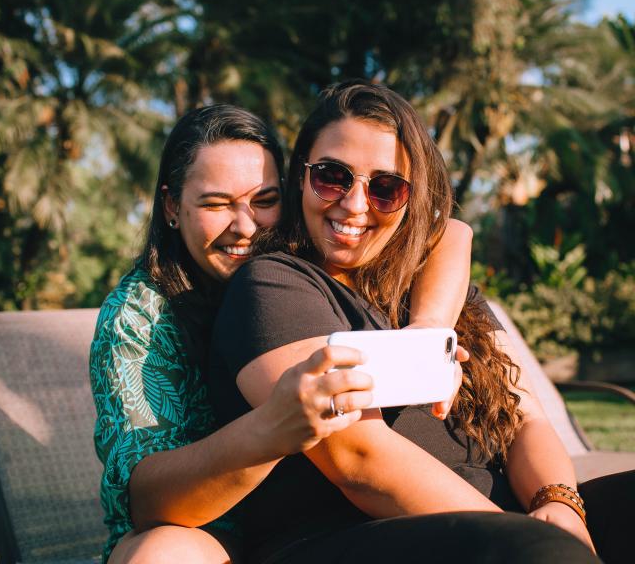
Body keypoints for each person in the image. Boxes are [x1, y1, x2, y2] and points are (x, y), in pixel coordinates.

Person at [209, 81, 615, 563]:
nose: (354, 204)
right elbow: (359, 460)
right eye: (332, 177)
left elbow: (525, 417)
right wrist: (525, 537)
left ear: (411, 197)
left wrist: (559, 504)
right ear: (301, 177)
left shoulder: (437, 287)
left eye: (385, 188)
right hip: (350, 537)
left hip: (501, 529)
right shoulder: (273, 284)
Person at [90, 103, 476, 563]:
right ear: (172, 206)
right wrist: (269, 430)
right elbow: (147, 501)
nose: (245, 227)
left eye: (264, 200)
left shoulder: (302, 264)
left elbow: (450, 231)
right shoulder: (140, 317)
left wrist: (429, 333)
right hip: (205, 528)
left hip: (309, 520)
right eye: (215, 204)